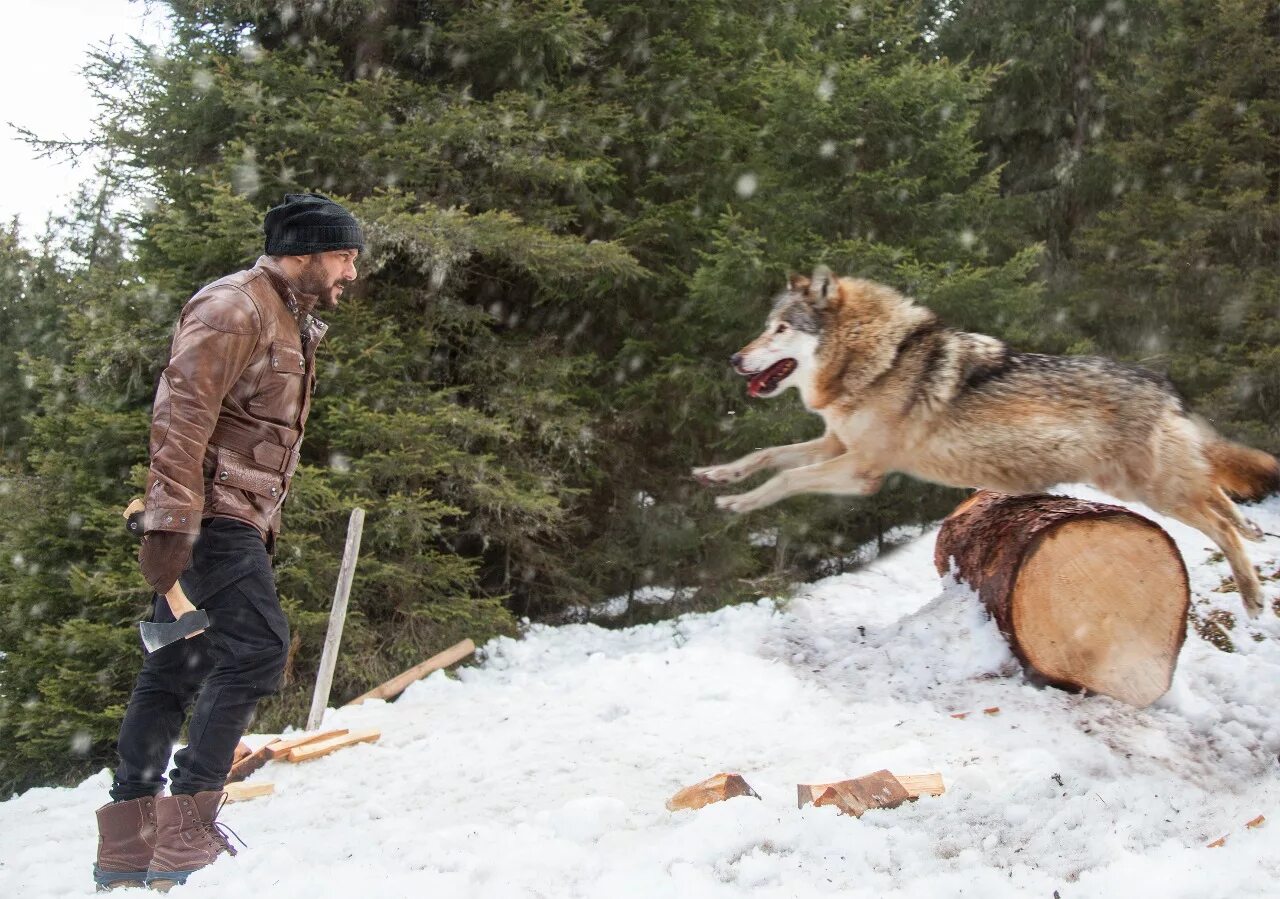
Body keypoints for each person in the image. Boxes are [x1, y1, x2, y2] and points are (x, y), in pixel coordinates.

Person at [92, 194, 363, 890]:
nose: (351, 273)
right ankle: (185, 832)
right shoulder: (234, 306)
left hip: (230, 512)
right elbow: (181, 414)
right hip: (214, 515)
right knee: (258, 649)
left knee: (177, 664)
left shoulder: (286, 313)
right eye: (342, 256)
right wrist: (173, 521)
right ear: (301, 253)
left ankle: (130, 845)